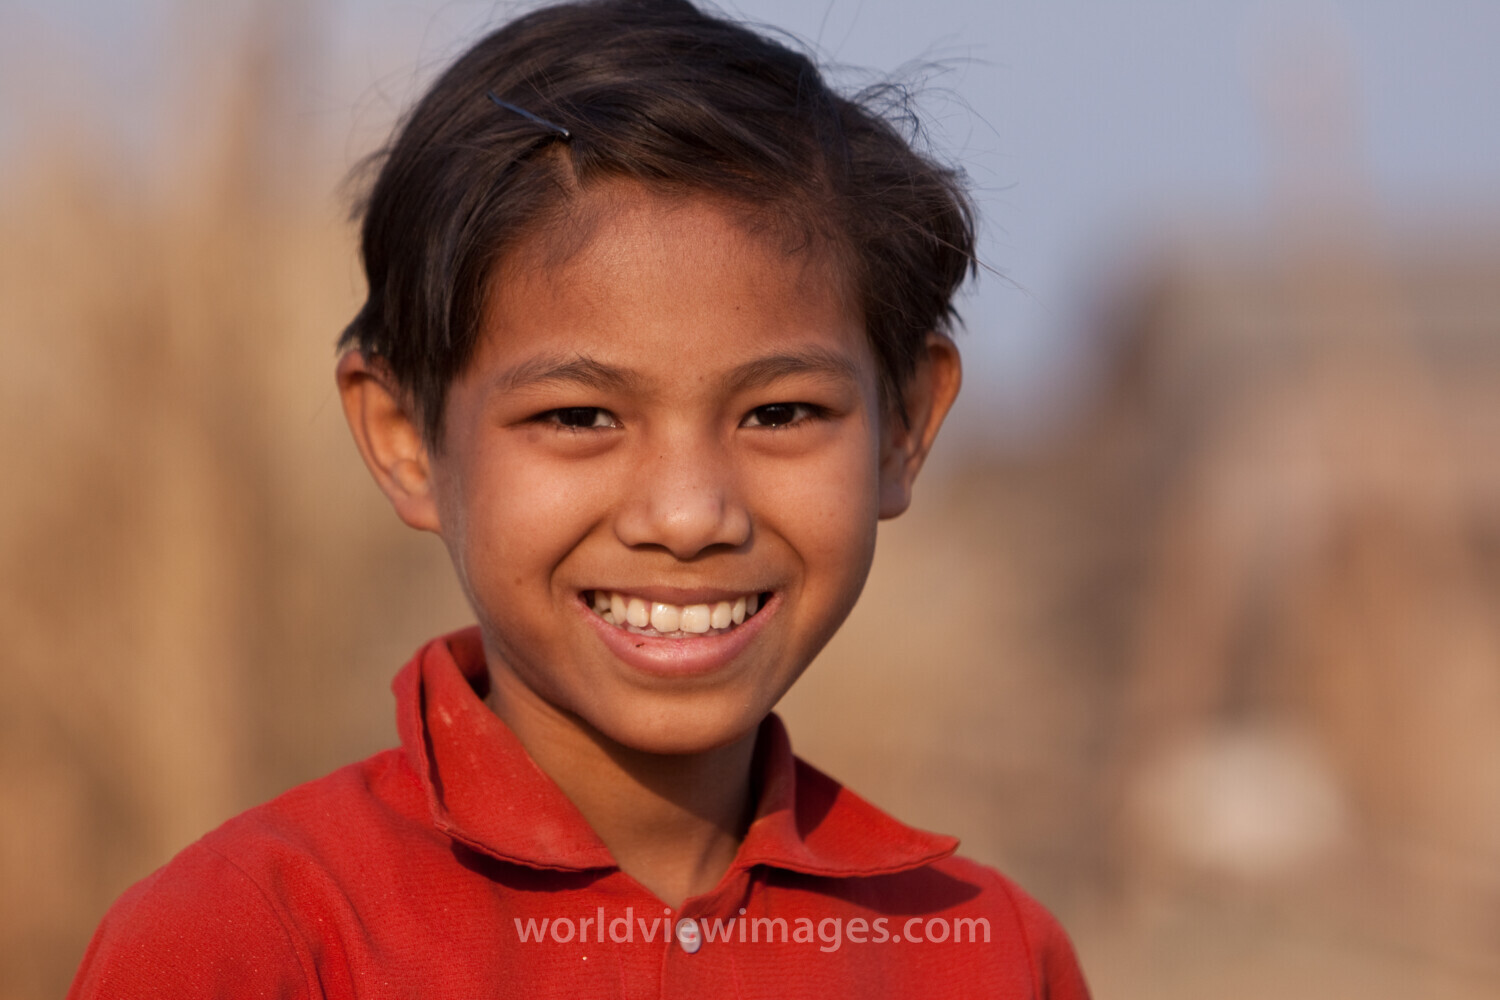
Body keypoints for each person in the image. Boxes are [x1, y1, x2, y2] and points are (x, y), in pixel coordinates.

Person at [69, 1, 1090, 995]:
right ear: (405, 439)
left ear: (903, 428)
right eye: (579, 417)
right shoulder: (257, 941)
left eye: (779, 413)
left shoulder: (983, 953)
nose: (689, 516)